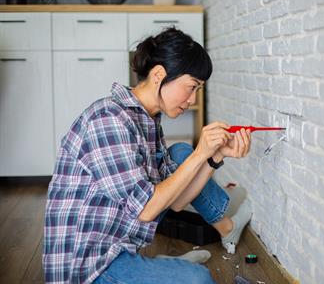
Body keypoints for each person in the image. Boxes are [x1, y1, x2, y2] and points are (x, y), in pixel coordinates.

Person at [43, 27, 253, 284]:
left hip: (120, 246)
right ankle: (162, 269)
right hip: (89, 266)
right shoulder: (109, 119)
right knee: (198, 280)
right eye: (191, 87)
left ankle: (159, 267)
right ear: (158, 75)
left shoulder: (147, 120)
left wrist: (214, 158)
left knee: (180, 154)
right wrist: (200, 154)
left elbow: (176, 203)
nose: (192, 99)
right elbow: (146, 209)